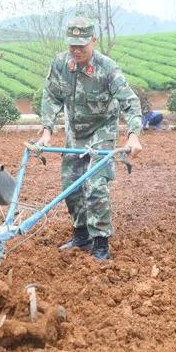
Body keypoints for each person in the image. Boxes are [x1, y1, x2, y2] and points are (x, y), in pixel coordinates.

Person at [38, 17, 143, 261]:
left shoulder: (107, 68)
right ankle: (81, 234)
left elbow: (130, 102)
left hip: (102, 130)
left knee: (95, 184)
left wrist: (133, 135)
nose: (76, 50)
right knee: (71, 184)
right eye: (72, 44)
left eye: (82, 45)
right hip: (75, 132)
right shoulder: (61, 63)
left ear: (93, 41)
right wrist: (47, 130)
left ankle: (100, 243)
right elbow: (51, 96)